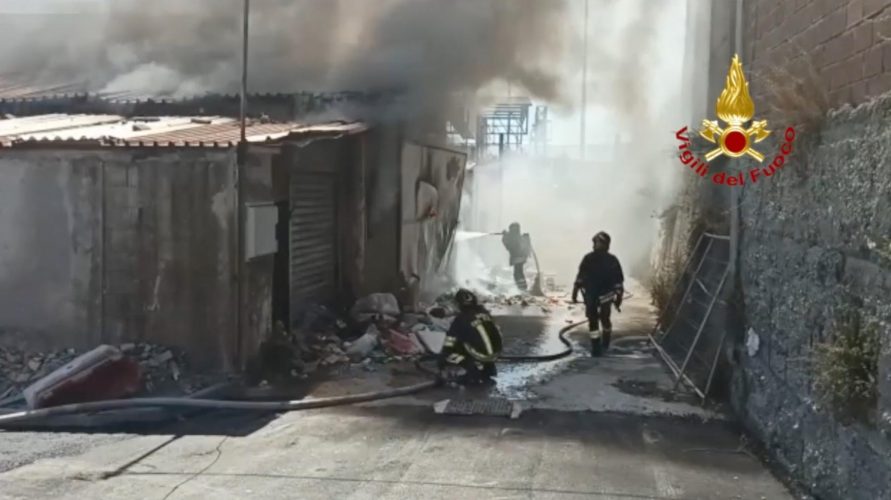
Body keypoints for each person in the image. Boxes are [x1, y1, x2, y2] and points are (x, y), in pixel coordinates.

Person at [572, 231, 624, 356]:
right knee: (593, 319)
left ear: (605, 244)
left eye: (597, 242)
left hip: (605, 294)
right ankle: (596, 346)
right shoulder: (589, 258)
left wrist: (619, 295)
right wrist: (575, 290)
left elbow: (618, 279)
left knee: (604, 318)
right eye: (595, 242)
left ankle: (605, 343)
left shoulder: (611, 260)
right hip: (592, 293)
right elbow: (581, 276)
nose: (594, 245)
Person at [438, 289, 504, 385]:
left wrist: (442, 360)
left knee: (448, 354)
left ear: (458, 304)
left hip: (480, 355)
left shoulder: (460, 319)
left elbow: (450, 342)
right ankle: (488, 368)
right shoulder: (485, 313)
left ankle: (471, 369)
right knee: (474, 338)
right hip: (496, 353)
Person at [501, 222, 531, 291]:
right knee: (519, 272)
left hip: (517, 257)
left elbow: (508, 244)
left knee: (517, 273)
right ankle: (523, 288)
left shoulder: (514, 237)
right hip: (521, 257)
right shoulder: (518, 237)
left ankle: (522, 288)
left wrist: (505, 236)